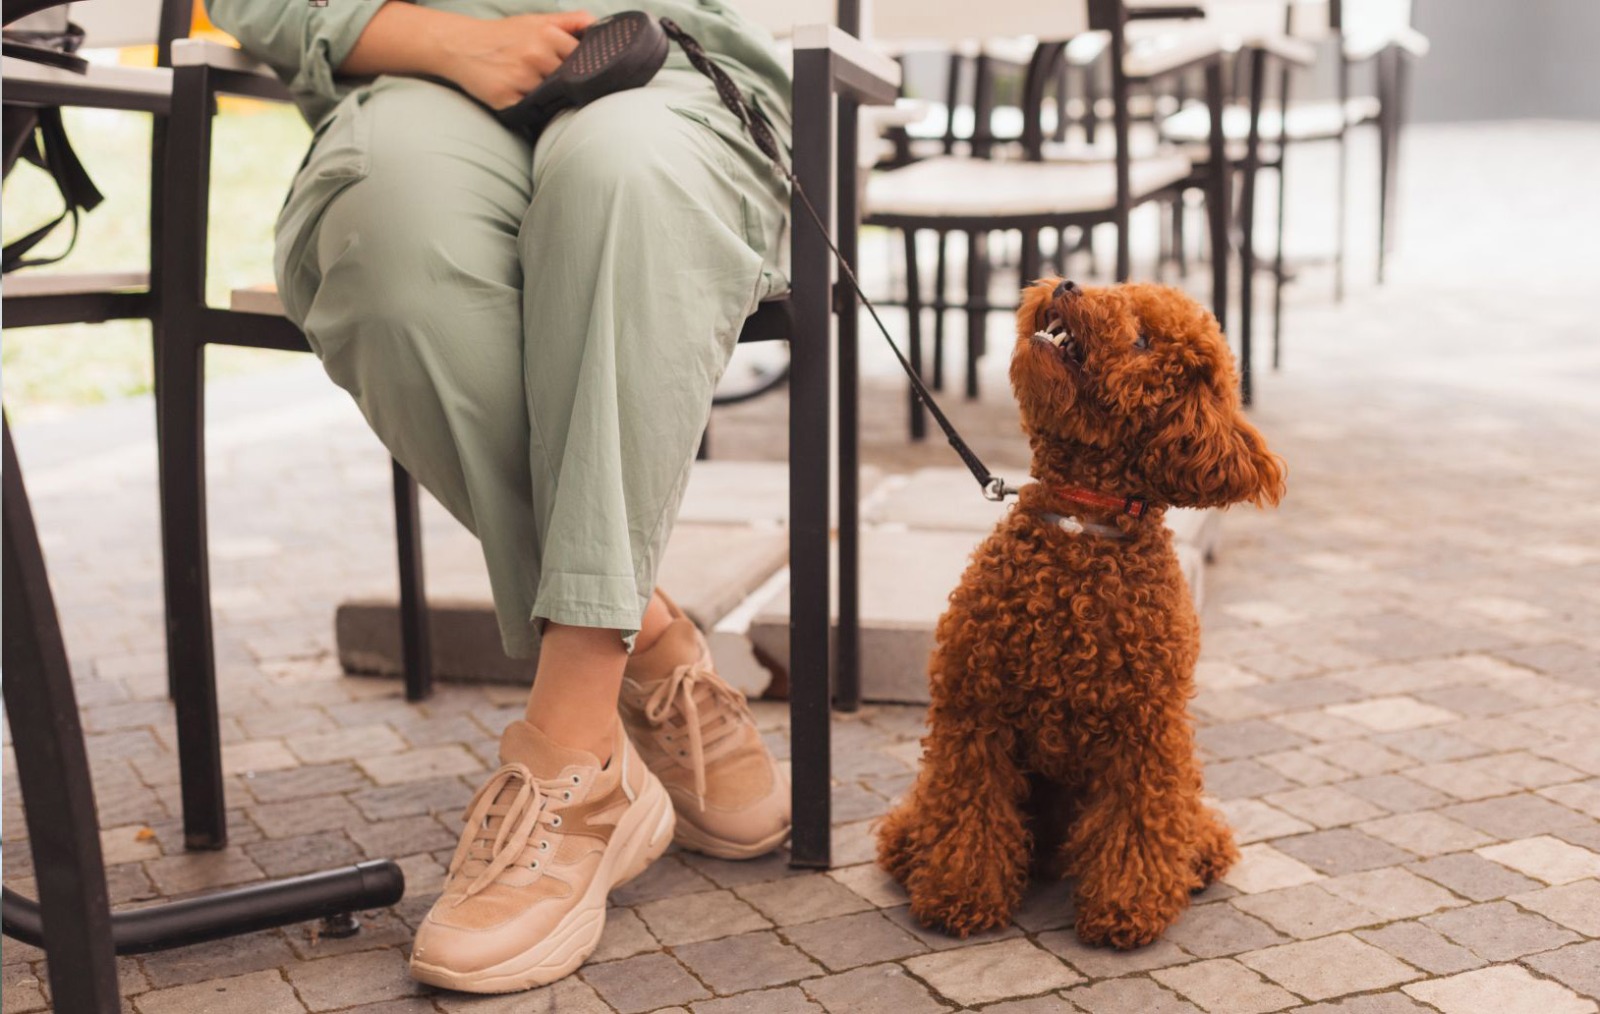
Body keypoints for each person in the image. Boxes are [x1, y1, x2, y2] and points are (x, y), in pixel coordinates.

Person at [205, 0, 793, 993]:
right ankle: (646, 643)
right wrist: (442, 37)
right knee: (390, 261)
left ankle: (573, 755)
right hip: (420, 80)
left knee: (618, 179)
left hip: (659, 63)